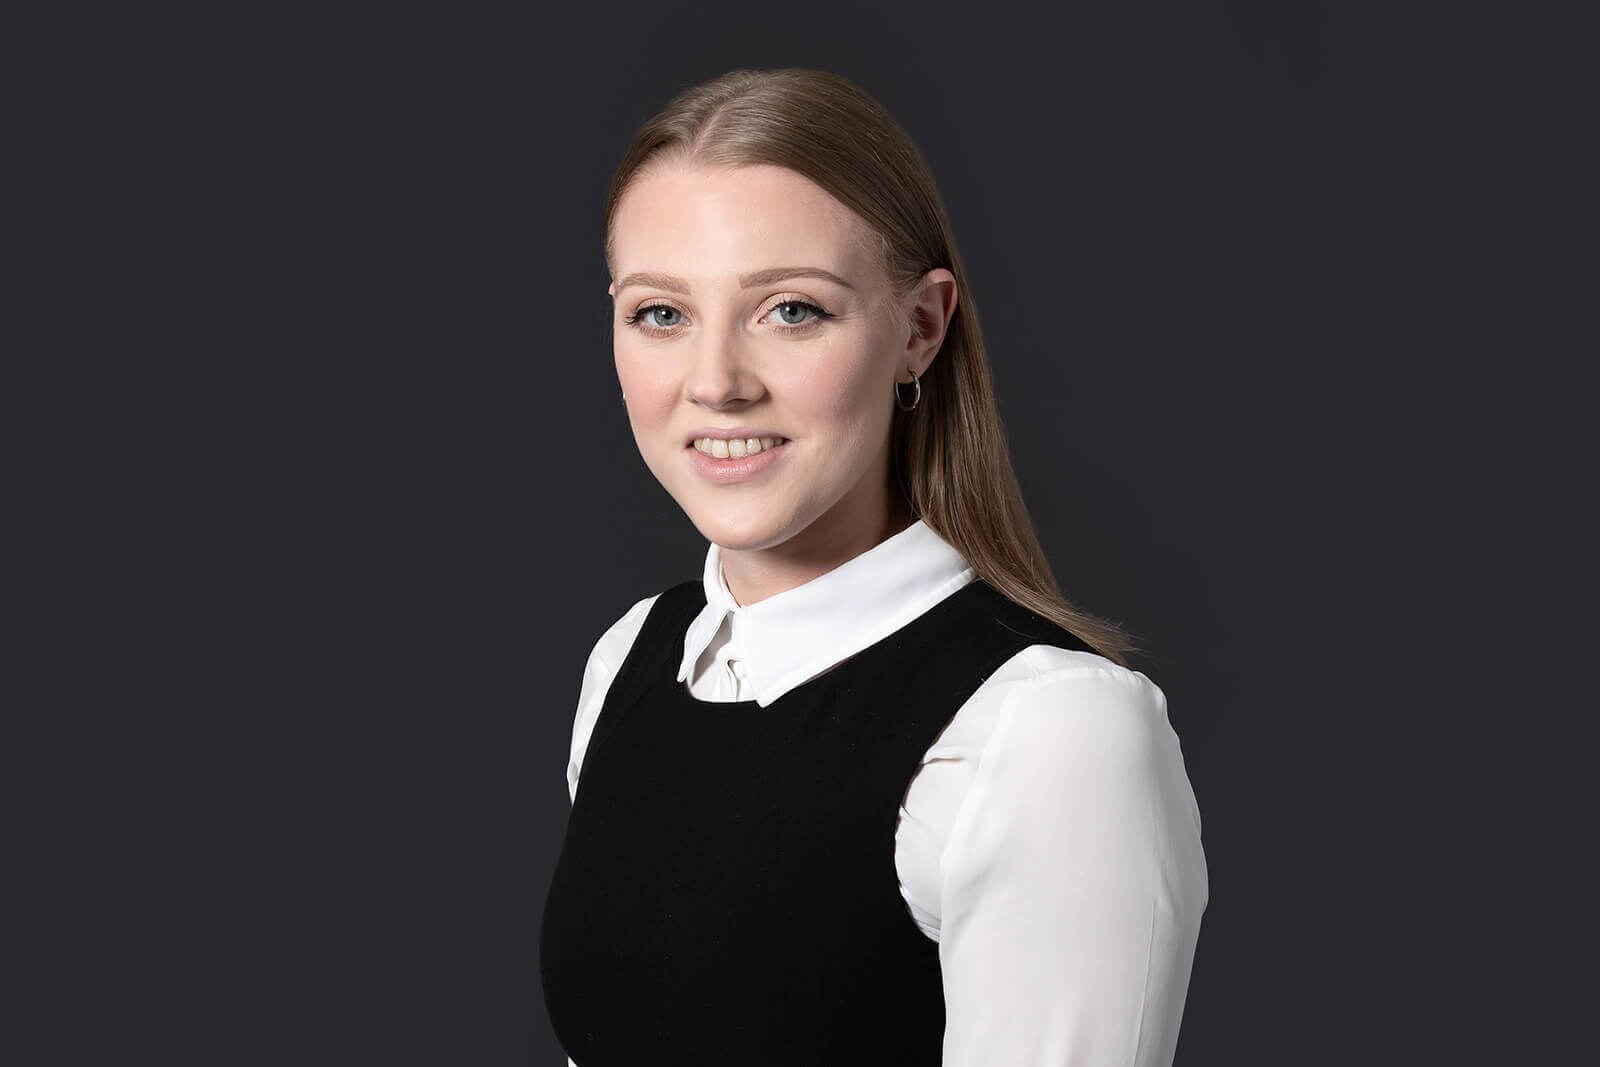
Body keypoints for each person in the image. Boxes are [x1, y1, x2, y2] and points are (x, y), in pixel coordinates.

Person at [539, 67, 1208, 1066]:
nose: (716, 383)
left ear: (920, 329)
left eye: (791, 310)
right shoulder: (632, 656)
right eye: (661, 314)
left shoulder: (1050, 732)